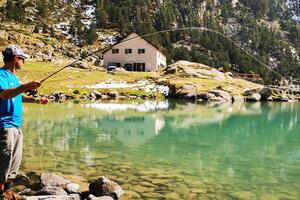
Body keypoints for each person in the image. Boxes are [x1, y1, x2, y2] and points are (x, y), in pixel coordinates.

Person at [0, 45, 48, 200]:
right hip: (4, 126)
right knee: (3, 163)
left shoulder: (14, 78)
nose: (24, 62)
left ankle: (8, 192)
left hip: (15, 126)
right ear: (15, 58)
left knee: (14, 162)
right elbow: (4, 95)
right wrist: (26, 86)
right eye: (22, 58)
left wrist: (35, 100)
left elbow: (18, 96)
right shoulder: (1, 75)